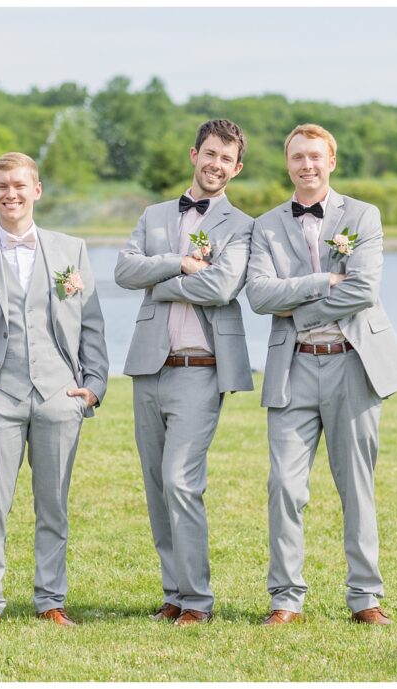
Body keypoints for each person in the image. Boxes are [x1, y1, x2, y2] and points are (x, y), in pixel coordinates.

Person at [246, 123, 397, 625]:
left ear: (332, 161)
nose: (307, 165)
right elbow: (258, 295)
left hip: (353, 363)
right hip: (291, 366)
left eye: (316, 157)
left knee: (356, 485)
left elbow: (363, 290)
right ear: (287, 163)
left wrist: (295, 301)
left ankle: (365, 598)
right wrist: (322, 283)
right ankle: (285, 599)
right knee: (283, 484)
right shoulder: (265, 226)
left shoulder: (363, 215)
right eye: (298, 156)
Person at [0, 152, 108, 627]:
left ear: (37, 190)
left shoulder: (70, 249)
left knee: (53, 503)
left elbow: (91, 324)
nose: (11, 194)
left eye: (19, 185)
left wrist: (93, 385)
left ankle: (51, 599)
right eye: (1, 187)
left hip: (60, 394)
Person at [114, 119, 254, 626]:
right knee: (156, 485)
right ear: (194, 154)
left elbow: (221, 288)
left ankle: (197, 600)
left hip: (201, 369)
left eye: (226, 159)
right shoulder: (152, 215)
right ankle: (173, 592)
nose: (215, 164)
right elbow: (124, 271)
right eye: (209, 154)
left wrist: (161, 279)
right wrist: (179, 262)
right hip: (148, 368)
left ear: (235, 169)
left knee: (180, 480)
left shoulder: (241, 226)